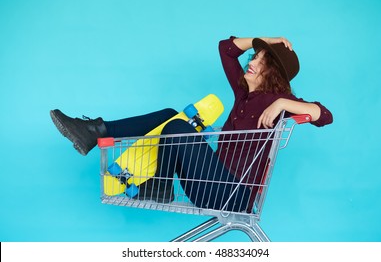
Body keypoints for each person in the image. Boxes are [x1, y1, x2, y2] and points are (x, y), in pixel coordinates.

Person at [50, 36, 333, 212]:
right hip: (210, 183)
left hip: (233, 194)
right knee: (170, 116)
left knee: (176, 128)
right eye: (255, 57)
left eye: (261, 61)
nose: (252, 62)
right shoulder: (243, 93)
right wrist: (265, 39)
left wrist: (283, 104)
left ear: (273, 74)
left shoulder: (278, 99)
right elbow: (227, 48)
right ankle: (96, 132)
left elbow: (324, 115)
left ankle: (160, 185)